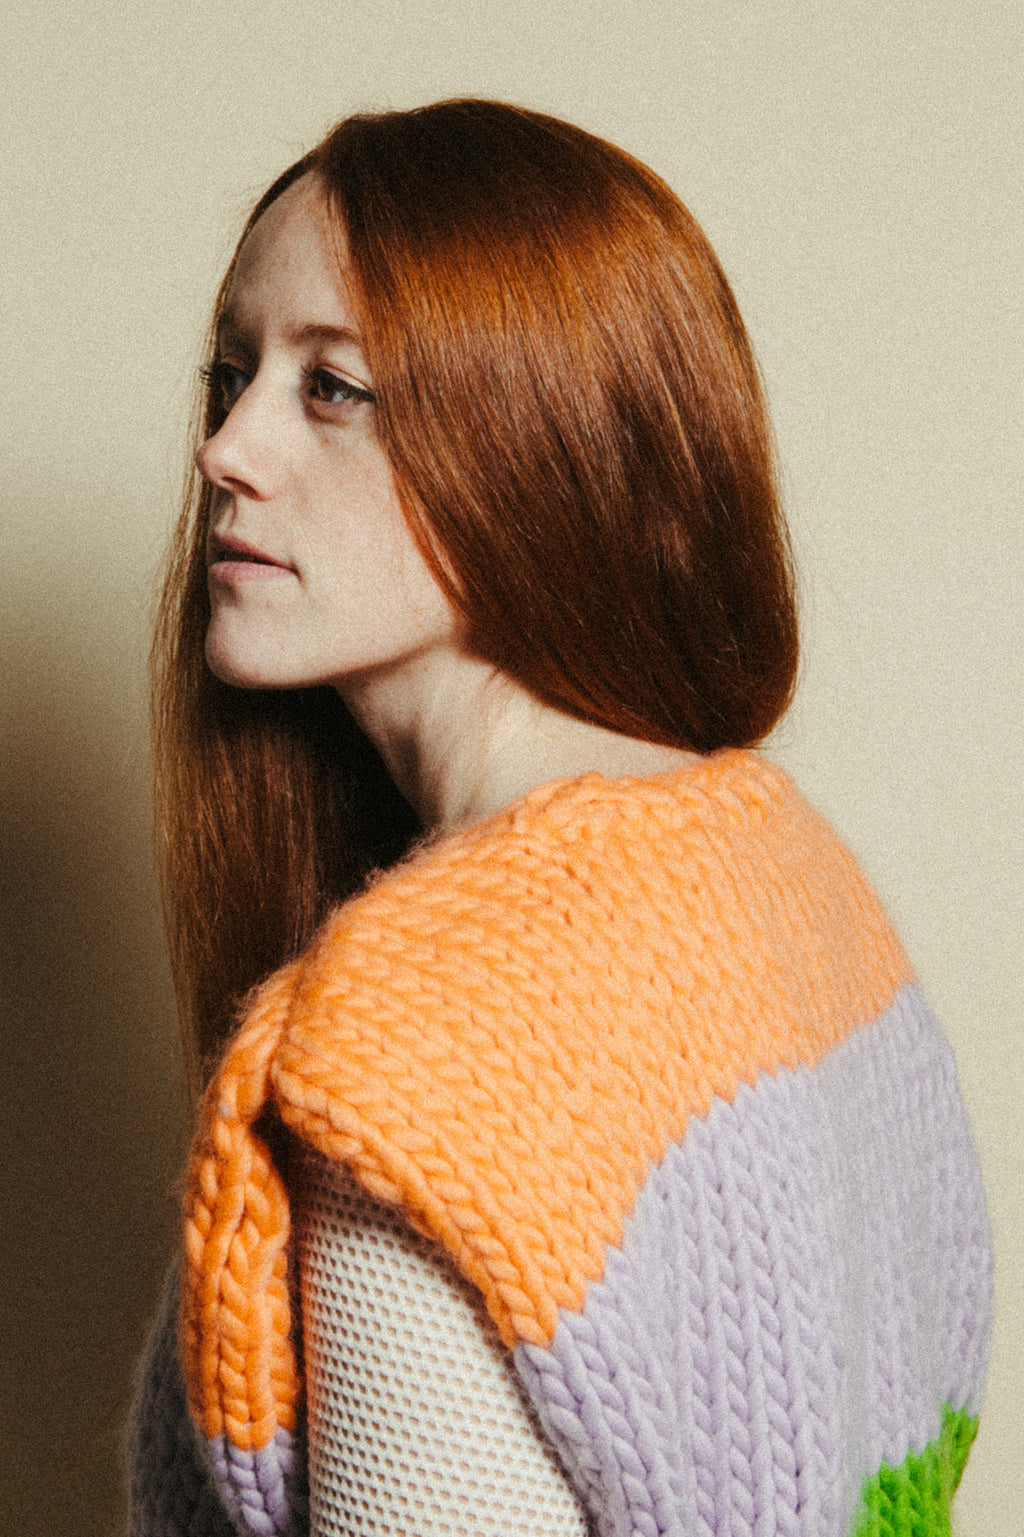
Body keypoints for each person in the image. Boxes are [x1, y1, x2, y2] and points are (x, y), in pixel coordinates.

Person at [127, 100, 992, 1537]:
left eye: (330, 387)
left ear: (537, 434)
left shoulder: (410, 1052)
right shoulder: (784, 863)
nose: (227, 445)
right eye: (233, 373)